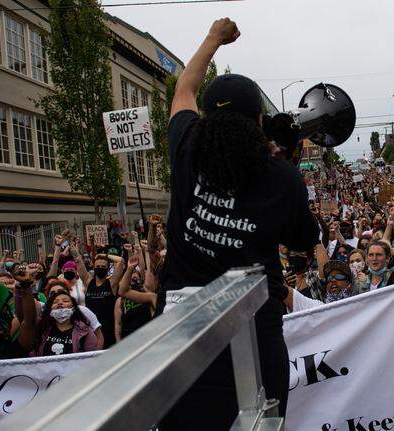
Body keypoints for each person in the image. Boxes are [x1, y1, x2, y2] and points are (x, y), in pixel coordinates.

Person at [159, 18, 318, 429]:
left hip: (181, 335)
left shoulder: (186, 144)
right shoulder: (281, 177)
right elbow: (304, 239)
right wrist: (286, 162)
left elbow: (184, 90)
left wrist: (214, 39)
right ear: (260, 125)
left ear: (207, 119)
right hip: (255, 334)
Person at [71, 246, 124, 349]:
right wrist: (70, 243)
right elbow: (77, 260)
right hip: (91, 331)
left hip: (109, 331)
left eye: (103, 266)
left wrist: (104, 256)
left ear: (108, 269)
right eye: (98, 266)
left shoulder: (112, 283)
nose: (100, 268)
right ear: (94, 268)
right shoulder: (88, 282)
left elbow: (121, 261)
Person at [27, 290, 98, 357]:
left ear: (73, 308)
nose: (60, 303)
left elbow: (91, 358)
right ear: (50, 309)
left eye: (65, 301)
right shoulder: (42, 327)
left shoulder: (84, 331)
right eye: (55, 302)